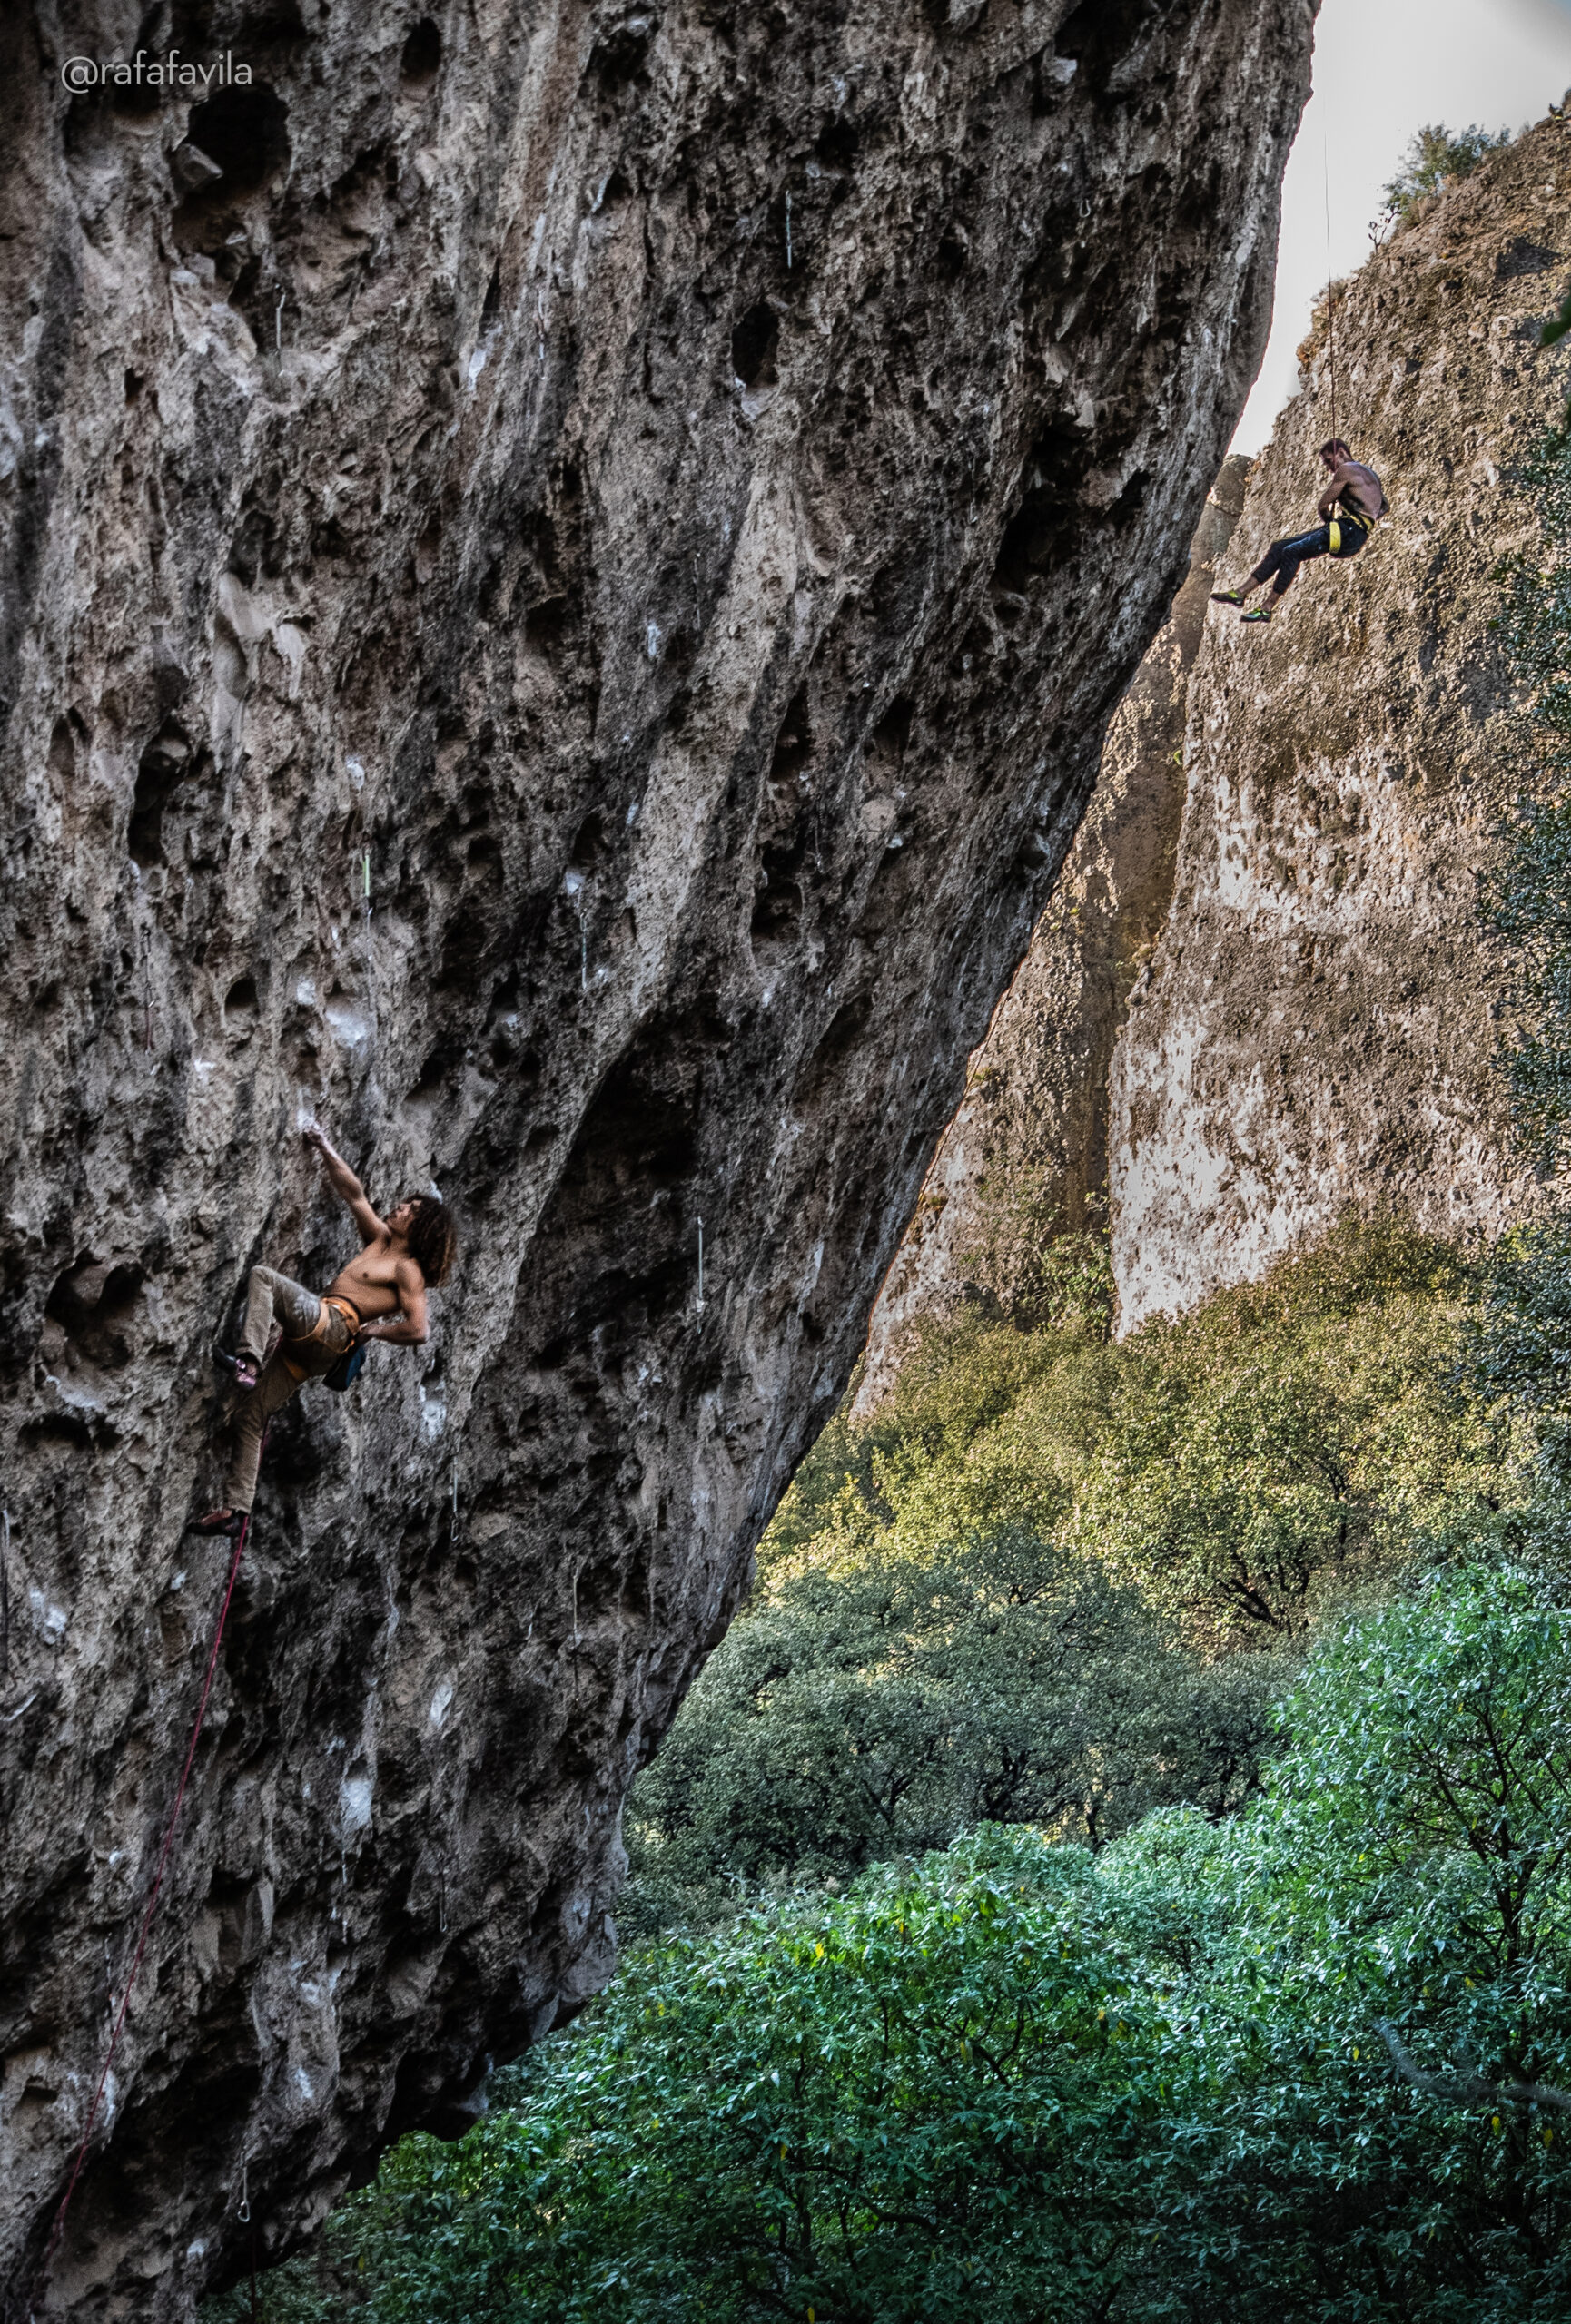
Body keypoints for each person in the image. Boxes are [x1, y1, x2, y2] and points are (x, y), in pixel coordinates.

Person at [187, 1128, 458, 1536]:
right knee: (251, 1415)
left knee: (264, 1277)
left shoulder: (408, 1271)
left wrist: (376, 1333)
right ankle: (235, 1512)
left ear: (420, 1224)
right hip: (313, 1348)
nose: (399, 1208)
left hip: (332, 1328)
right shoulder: (379, 1242)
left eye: (408, 1208)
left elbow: (419, 1330)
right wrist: (325, 1147)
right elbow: (355, 1195)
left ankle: (247, 1360)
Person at [1211, 439, 1388, 624]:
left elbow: (1323, 506)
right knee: (1280, 546)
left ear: (1341, 453)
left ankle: (1266, 608)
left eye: (1329, 461)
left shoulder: (1345, 470)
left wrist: (1332, 519)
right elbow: (1384, 507)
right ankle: (1240, 593)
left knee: (1292, 552)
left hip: (1348, 531)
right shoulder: (1371, 475)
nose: (1329, 468)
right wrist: (1364, 516)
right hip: (1353, 532)